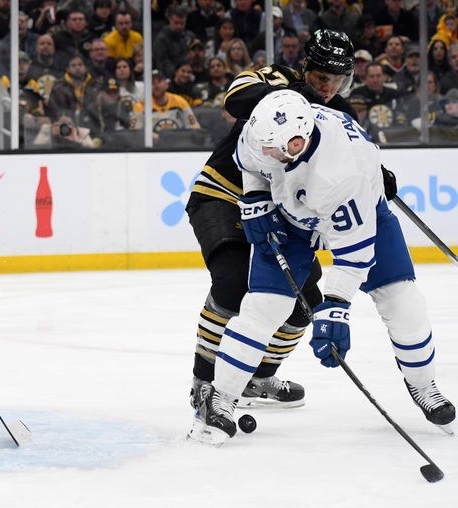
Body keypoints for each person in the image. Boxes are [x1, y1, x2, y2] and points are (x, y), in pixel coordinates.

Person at [192, 89, 455, 444]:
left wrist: (336, 306)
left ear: (298, 142)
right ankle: (220, 397)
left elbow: (354, 255)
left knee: (402, 302)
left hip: (363, 212)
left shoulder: (342, 174)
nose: (266, 154)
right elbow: (250, 163)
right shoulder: (265, 130)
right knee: (264, 307)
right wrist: (255, 197)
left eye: (274, 150)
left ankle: (425, 386)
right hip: (292, 220)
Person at [185, 30, 369, 420]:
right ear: (306, 67)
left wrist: (379, 173)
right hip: (221, 195)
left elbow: (358, 156)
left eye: (337, 81)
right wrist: (290, 101)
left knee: (304, 308)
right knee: (233, 284)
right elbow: (234, 99)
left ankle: (257, 378)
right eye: (321, 77)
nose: (328, 87)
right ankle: (205, 383)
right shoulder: (277, 79)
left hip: (279, 214)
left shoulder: (342, 115)